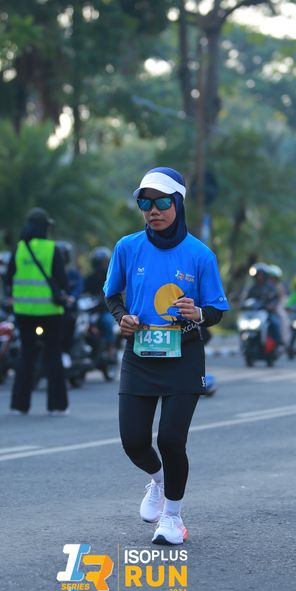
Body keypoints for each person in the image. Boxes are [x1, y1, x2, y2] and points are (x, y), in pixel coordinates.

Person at [104, 167, 229, 545]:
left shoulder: (200, 255)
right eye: (145, 203)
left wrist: (199, 314)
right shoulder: (127, 248)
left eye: (161, 202)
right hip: (139, 354)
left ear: (178, 203)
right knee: (133, 441)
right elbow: (112, 294)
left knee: (172, 440)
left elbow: (217, 309)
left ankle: (172, 518)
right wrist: (121, 318)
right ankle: (158, 481)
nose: (153, 211)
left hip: (184, 355)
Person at [6, 208, 69, 415]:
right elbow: (62, 280)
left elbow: (8, 277)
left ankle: (19, 406)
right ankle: (57, 406)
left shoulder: (19, 249)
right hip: (50, 311)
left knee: (26, 356)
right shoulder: (52, 248)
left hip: (24, 311)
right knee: (53, 356)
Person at [55, 241, 84, 368]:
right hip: (53, 309)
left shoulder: (72, 273)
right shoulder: (51, 272)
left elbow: (79, 287)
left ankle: (66, 352)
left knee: (69, 324)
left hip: (69, 310)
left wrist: (72, 297)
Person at [85, 247, 116, 356]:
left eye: (102, 263)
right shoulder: (89, 278)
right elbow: (83, 292)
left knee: (107, 321)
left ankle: (110, 348)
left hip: (105, 310)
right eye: (98, 263)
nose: (100, 265)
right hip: (90, 311)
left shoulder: (111, 278)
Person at [246, 263, 282, 346]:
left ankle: (278, 343)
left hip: (266, 313)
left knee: (275, 323)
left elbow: (275, 298)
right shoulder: (252, 288)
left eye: (261, 275)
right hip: (254, 313)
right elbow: (246, 299)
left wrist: (271, 305)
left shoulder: (270, 287)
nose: (259, 277)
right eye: (258, 275)